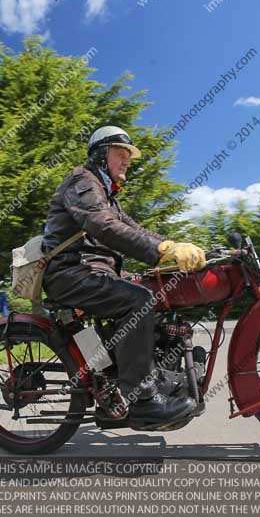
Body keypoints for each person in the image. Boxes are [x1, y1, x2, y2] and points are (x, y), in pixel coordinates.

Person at [42, 125, 206, 426]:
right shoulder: (82, 182)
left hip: (94, 270)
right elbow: (104, 226)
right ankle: (140, 399)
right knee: (139, 300)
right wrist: (162, 249)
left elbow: (134, 229)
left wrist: (174, 247)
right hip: (69, 272)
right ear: (102, 156)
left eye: (128, 156)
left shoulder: (107, 195)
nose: (127, 160)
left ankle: (156, 377)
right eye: (121, 154)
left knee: (154, 291)